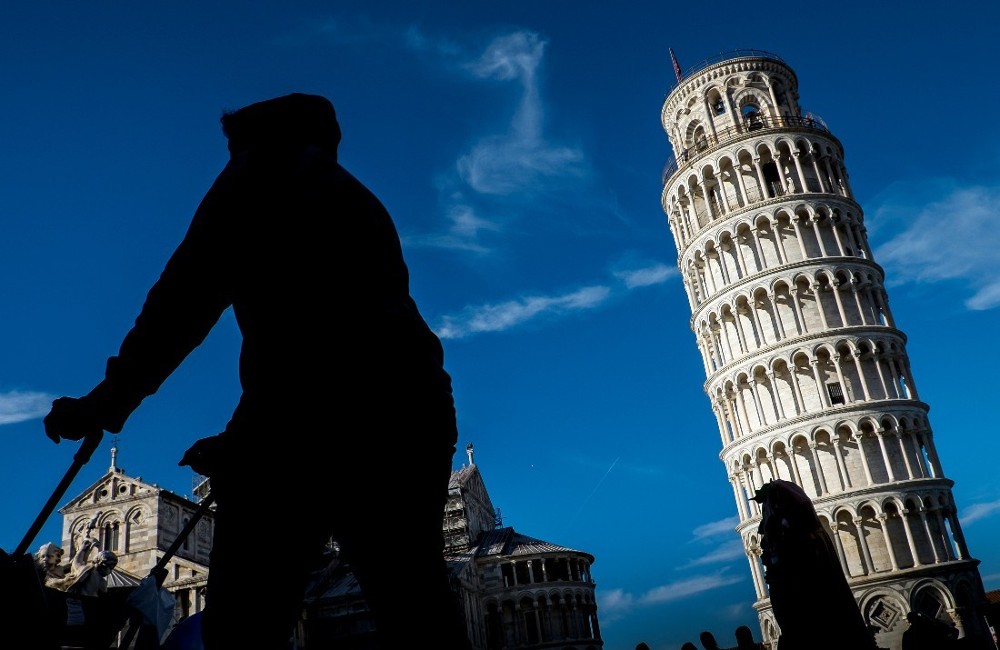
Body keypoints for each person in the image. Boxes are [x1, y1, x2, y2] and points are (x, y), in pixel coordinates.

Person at [43, 93, 468, 649]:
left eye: (235, 150)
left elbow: (181, 302)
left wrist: (105, 403)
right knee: (413, 597)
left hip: (304, 424)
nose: (228, 164)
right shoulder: (359, 202)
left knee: (247, 615)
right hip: (412, 410)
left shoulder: (259, 182)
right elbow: (331, 341)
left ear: (267, 146)